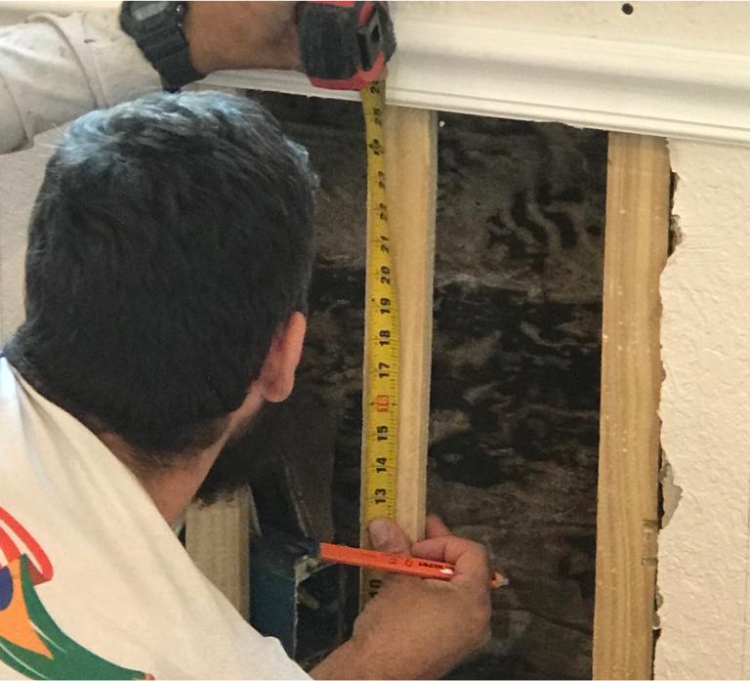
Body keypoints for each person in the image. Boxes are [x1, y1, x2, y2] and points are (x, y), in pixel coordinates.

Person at [0, 4, 492, 680]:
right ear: (282, 357)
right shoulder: (204, 663)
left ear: (34, 286)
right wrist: (380, 660)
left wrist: (176, 35)